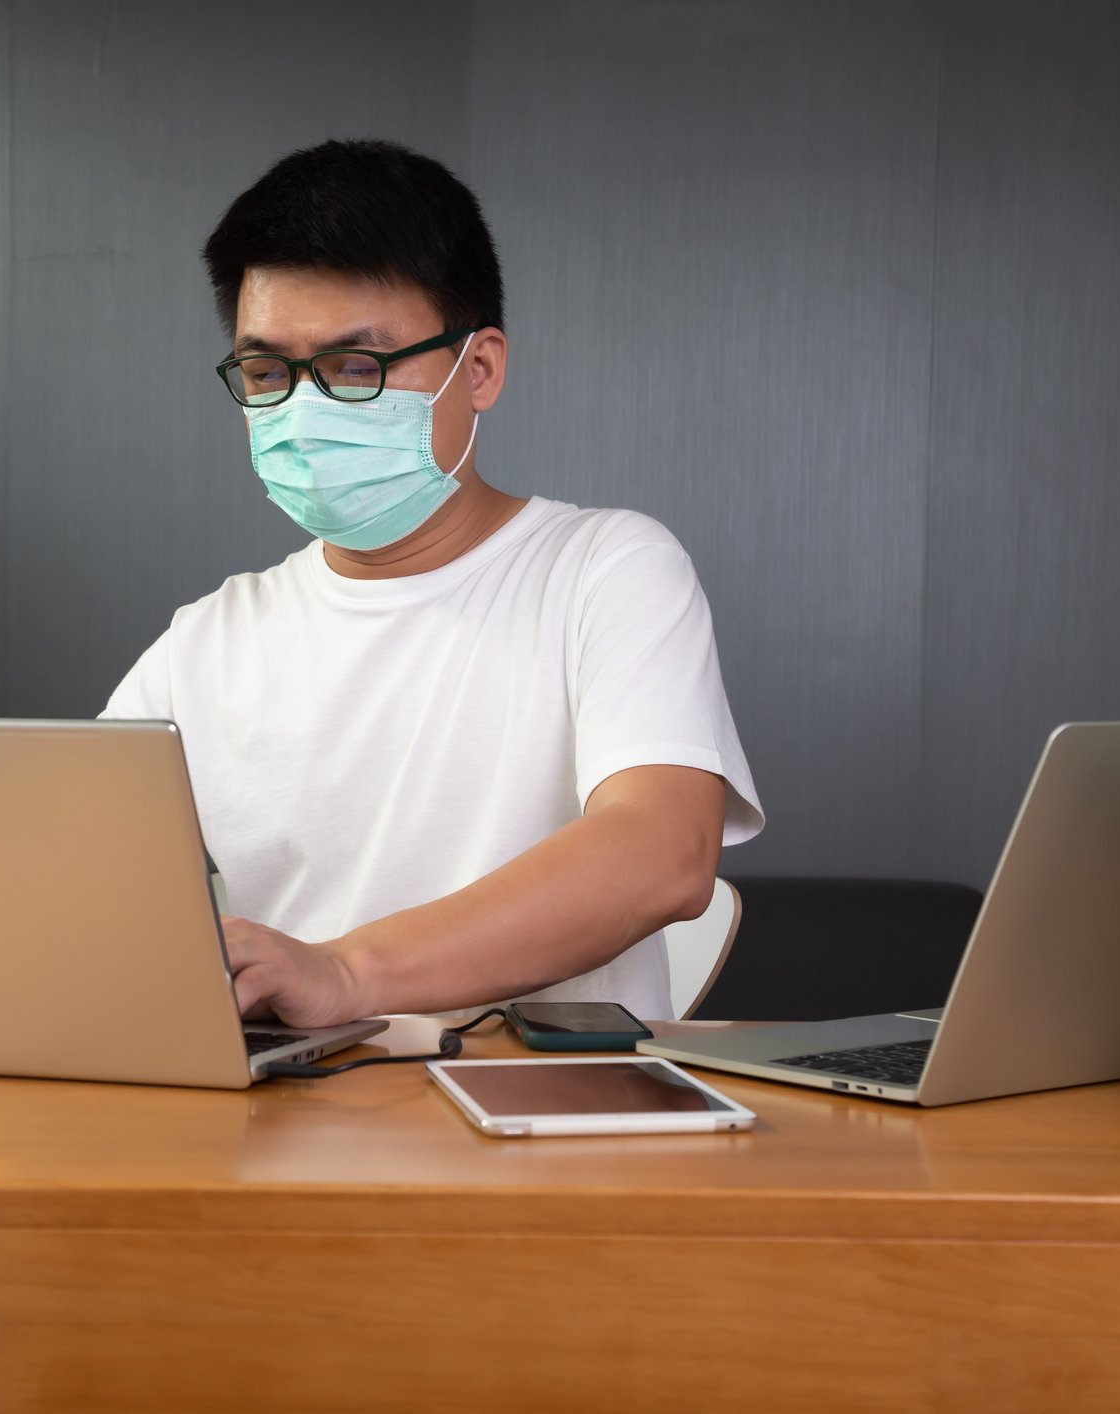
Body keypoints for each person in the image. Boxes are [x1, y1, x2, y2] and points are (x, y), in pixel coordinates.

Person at [101, 138, 762, 1026]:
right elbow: (69, 889)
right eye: (267, 373)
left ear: (478, 369)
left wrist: (342, 974)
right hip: (291, 1136)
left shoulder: (604, 570)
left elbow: (661, 854)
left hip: (554, 1136)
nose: (302, 408)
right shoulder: (207, 643)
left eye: (354, 367)